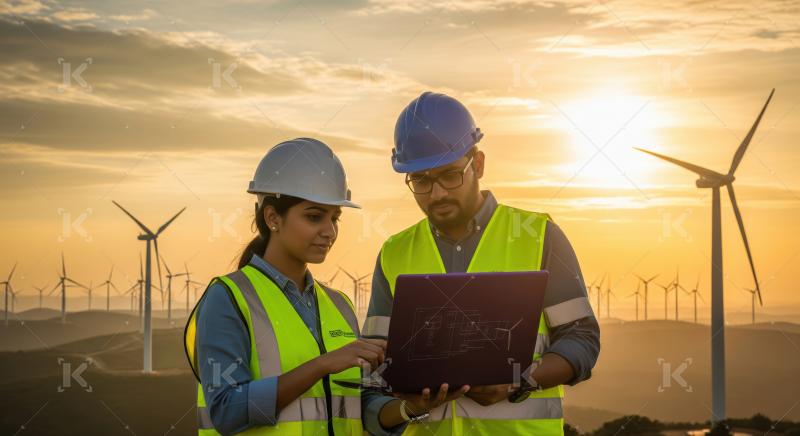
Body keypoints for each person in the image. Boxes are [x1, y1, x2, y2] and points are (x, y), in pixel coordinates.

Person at [361, 92, 601, 435]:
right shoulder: (393, 253)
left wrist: (520, 380)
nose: (437, 194)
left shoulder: (538, 236)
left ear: (479, 164)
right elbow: (374, 373)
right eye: (422, 181)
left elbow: (581, 339)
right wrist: (403, 406)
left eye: (449, 175)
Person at [184, 138, 386, 435]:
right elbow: (226, 410)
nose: (329, 231)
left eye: (335, 218)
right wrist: (322, 365)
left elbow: (355, 410)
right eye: (314, 216)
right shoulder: (227, 299)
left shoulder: (340, 305)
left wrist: (410, 408)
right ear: (272, 217)